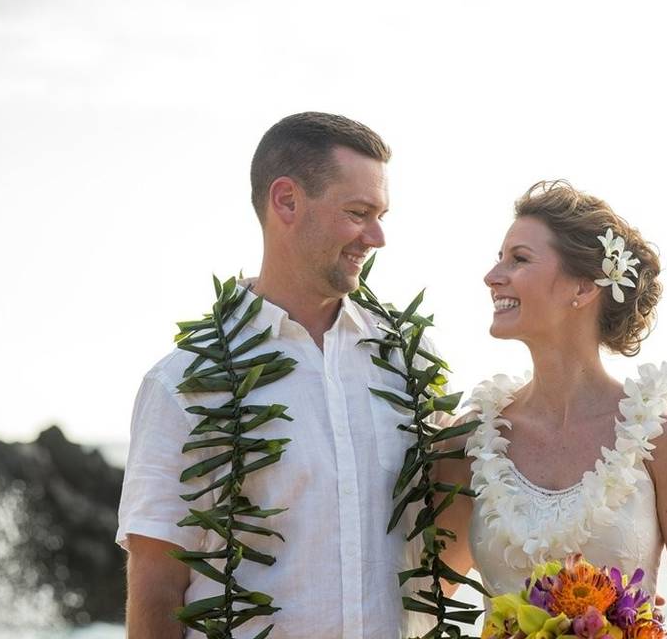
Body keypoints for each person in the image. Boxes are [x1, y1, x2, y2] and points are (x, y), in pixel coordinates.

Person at [117, 112, 432, 638]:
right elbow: (157, 586)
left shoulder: (406, 366)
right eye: (358, 213)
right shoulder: (185, 383)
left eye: (380, 215)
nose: (376, 237)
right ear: (286, 200)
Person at [438, 181, 667, 637]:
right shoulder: (471, 439)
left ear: (584, 286)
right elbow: (428, 594)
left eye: (519, 259)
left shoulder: (657, 432)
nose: (493, 276)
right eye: (500, 258)